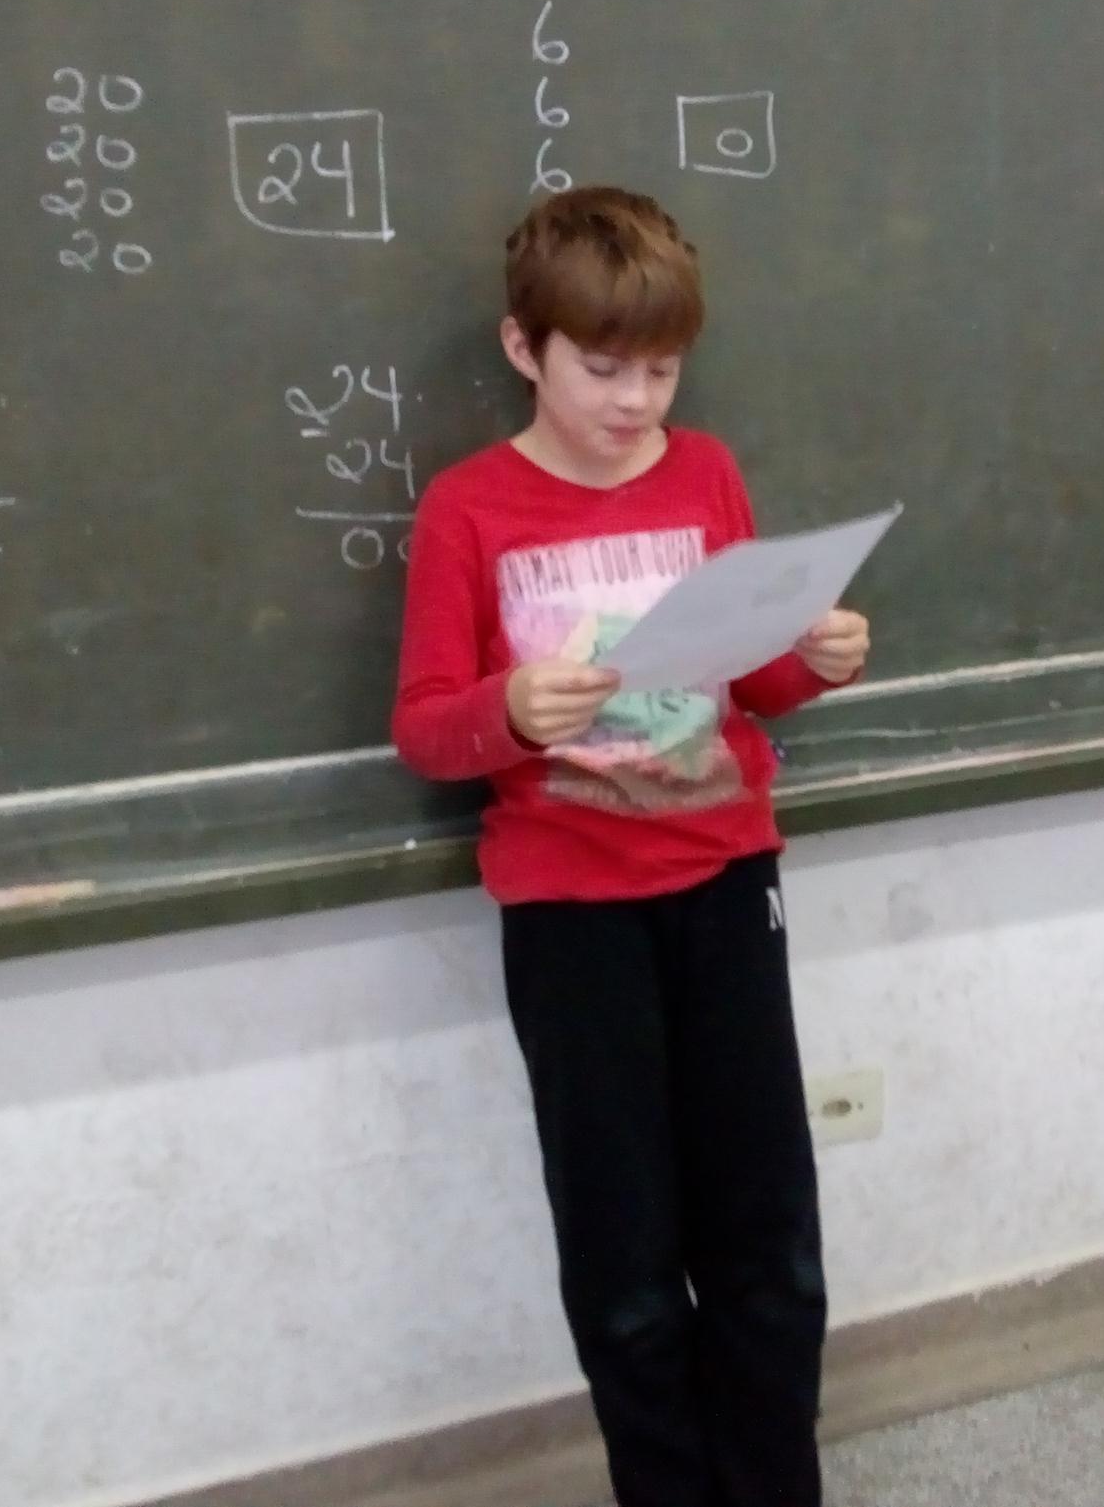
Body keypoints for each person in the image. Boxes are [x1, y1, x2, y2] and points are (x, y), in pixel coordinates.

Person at [391, 186, 871, 1507]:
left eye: (661, 370)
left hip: (726, 881)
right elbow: (425, 727)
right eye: (603, 369)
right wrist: (508, 710)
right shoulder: (469, 509)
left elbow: (751, 677)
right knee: (626, 1267)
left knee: (768, 1243)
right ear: (523, 348)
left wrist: (816, 658)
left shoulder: (704, 472)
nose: (635, 400)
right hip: (572, 913)